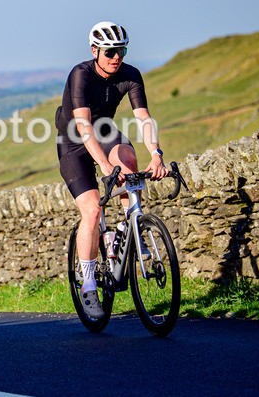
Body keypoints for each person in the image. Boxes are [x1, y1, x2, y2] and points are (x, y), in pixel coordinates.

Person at [55, 21, 168, 319]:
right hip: (74, 142)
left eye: (121, 50)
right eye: (109, 52)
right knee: (92, 210)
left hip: (105, 132)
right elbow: (82, 126)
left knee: (129, 160)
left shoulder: (130, 75)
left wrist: (156, 154)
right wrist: (105, 166)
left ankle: (129, 226)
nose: (116, 57)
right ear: (95, 51)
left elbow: (143, 118)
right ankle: (89, 283)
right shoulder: (81, 74)